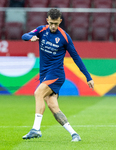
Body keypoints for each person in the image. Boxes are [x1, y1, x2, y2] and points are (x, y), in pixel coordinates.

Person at [21, 8, 94, 142]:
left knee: (38, 93)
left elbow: (76, 57)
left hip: (56, 74)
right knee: (52, 106)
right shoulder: (41, 30)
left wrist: (88, 76)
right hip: (44, 74)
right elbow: (24, 35)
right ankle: (74, 134)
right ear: (47, 20)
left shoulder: (64, 37)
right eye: (51, 23)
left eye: (56, 23)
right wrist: (30, 37)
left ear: (60, 21)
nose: (53, 26)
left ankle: (36, 129)